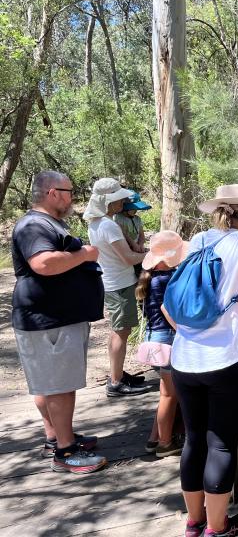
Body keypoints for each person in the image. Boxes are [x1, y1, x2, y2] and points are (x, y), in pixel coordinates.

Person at [164, 184, 238, 537]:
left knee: (194, 440)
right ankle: (218, 529)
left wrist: (187, 332)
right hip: (230, 359)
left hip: (185, 359)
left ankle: (194, 521)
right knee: (220, 444)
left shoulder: (198, 240)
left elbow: (169, 302)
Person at [11, 170, 108, 473]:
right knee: (59, 386)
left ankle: (56, 436)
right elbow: (43, 262)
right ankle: (66, 453)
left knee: (51, 383)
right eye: (69, 191)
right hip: (49, 320)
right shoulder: (34, 225)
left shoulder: (44, 223)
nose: (72, 197)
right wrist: (85, 255)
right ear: (53, 193)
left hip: (53, 318)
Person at [83, 178, 149, 397]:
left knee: (118, 330)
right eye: (117, 199)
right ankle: (115, 382)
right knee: (121, 332)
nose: (122, 202)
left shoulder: (97, 223)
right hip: (119, 284)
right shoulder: (108, 225)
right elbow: (129, 258)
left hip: (113, 282)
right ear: (106, 202)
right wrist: (152, 255)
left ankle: (117, 374)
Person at [136, 230, 187, 458]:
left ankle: (153, 438)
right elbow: (169, 311)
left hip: (154, 339)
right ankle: (165, 444)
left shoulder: (151, 279)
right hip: (167, 339)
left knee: (166, 393)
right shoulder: (167, 280)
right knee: (169, 395)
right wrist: (184, 333)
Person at [114, 191, 151, 277]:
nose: (135, 211)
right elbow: (122, 233)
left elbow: (141, 234)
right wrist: (133, 243)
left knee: (143, 270)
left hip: (137, 248)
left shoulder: (137, 219)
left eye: (136, 209)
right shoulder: (118, 218)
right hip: (126, 248)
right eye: (133, 208)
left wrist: (141, 244)